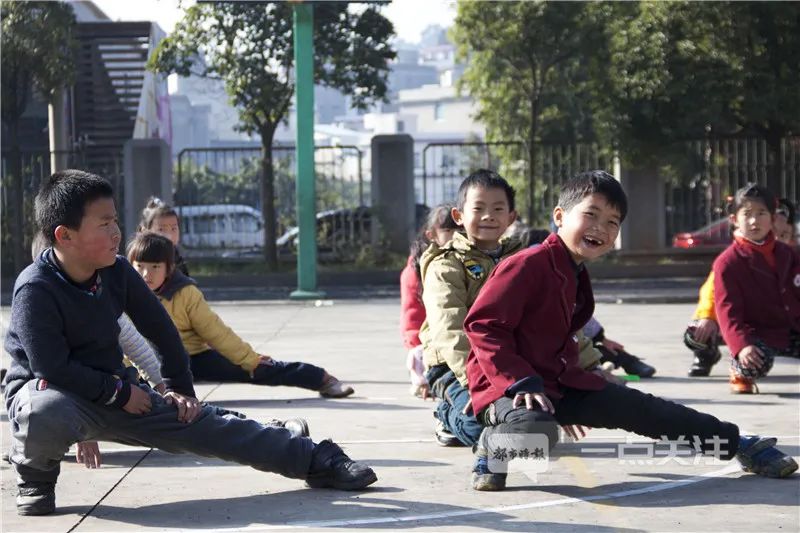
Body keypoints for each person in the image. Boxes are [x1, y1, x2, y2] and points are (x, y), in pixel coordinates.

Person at [4, 170, 377, 516]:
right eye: (104, 224)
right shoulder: (36, 287)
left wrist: (181, 390)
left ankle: (315, 458)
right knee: (44, 409)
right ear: (63, 235)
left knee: (208, 427)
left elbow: (161, 330)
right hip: (54, 394)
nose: (117, 232)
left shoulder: (116, 271)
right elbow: (52, 367)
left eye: (115, 220)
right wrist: (117, 392)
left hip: (117, 392)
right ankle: (35, 477)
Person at [462, 170, 797, 491]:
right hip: (508, 389)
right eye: (591, 215)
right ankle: (492, 447)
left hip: (558, 384)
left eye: (612, 222)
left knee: (646, 409)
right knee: (536, 434)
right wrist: (520, 381)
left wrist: (589, 374)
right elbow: (483, 326)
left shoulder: (573, 270)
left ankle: (741, 444)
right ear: (560, 216)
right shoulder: (527, 264)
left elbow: (556, 337)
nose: (601, 228)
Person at [127, 231, 354, 398]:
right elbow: (121, 340)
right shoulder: (121, 292)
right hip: (146, 364)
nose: (147, 274)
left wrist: (250, 360)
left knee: (258, 368)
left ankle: (322, 379)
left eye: (155, 267)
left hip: (192, 359)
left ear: (169, 268)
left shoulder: (185, 293)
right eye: (140, 266)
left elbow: (217, 333)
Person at [418, 169, 524, 447]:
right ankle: (446, 412)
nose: (488, 215)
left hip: (506, 361)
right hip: (455, 367)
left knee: (535, 423)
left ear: (511, 217)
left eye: (498, 208)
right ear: (459, 216)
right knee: (480, 429)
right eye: (478, 208)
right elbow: (449, 328)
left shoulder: (522, 261)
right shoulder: (446, 265)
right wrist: (478, 381)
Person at [684, 197, 798, 377]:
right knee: (697, 332)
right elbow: (713, 293)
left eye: (784, 235)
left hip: (781, 327)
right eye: (775, 233)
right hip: (743, 327)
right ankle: (708, 356)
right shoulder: (732, 260)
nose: (778, 238)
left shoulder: (790, 258)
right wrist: (707, 317)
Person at [713, 185, 800, 393]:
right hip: (758, 334)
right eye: (747, 214)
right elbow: (728, 313)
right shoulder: (727, 263)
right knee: (753, 364)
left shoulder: (789, 254)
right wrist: (741, 346)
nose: (754, 221)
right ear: (734, 219)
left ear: (772, 218)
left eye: (761, 213)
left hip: (792, 328)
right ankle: (738, 369)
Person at [400, 204, 459, 398]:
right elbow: (413, 318)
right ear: (431, 234)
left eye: (461, 230)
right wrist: (422, 363)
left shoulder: (471, 260)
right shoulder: (416, 270)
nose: (457, 236)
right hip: (430, 343)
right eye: (449, 230)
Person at [139, 197, 189, 276]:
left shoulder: (177, 260)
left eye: (173, 228)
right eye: (161, 230)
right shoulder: (140, 260)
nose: (169, 235)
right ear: (145, 231)